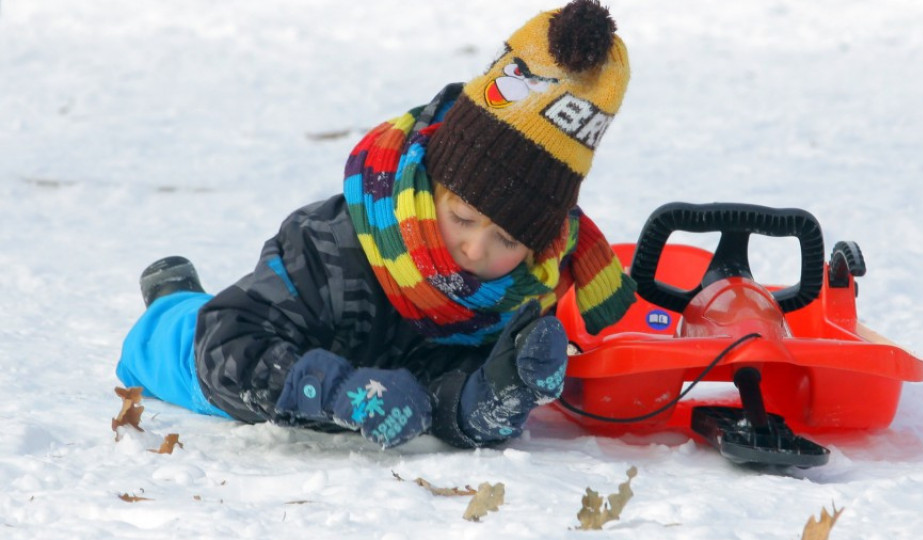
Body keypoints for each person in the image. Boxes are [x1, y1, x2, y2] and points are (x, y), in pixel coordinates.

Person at [116, 0, 636, 449]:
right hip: (227, 359)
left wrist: (494, 394)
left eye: (507, 239)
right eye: (462, 217)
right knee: (171, 337)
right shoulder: (331, 246)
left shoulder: (510, 296)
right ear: (428, 186)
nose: (476, 250)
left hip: (353, 365)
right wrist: (340, 390)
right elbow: (227, 345)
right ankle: (170, 295)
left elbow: (443, 391)